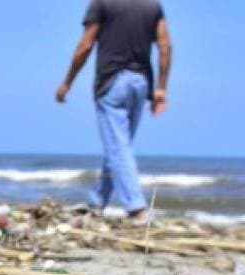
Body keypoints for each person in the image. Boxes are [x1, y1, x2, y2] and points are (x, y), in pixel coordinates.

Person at [56, 0, 172, 223]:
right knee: (119, 144)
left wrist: (67, 82)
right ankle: (97, 202)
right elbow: (165, 45)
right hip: (141, 83)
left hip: (112, 81)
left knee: (118, 146)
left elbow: (86, 45)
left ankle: (136, 207)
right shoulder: (151, 5)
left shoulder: (102, 3)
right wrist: (161, 88)